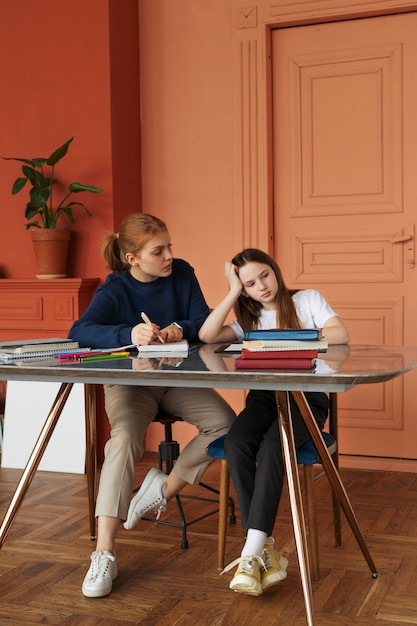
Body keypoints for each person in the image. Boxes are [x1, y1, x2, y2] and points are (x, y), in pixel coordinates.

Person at [69, 213, 235, 598]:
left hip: (176, 380)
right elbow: (79, 331)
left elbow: (201, 318)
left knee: (227, 424)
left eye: (169, 247)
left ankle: (161, 490)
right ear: (132, 258)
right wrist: (128, 332)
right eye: (158, 251)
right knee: (124, 439)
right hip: (131, 385)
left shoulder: (183, 273)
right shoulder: (114, 289)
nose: (169, 256)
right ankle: (104, 553)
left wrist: (182, 328)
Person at [198, 248, 349, 596]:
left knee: (272, 446)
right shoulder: (247, 319)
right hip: (264, 398)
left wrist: (288, 343)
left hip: (305, 397)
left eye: (264, 275)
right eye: (249, 283)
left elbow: (340, 334)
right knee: (237, 442)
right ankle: (263, 545)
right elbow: (207, 336)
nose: (261, 287)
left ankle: (251, 552)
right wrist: (232, 292)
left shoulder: (306, 300)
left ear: (275, 270)